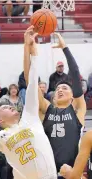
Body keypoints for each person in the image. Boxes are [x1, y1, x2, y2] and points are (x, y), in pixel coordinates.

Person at [0, 26, 57, 179]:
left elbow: (32, 85)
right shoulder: (0, 137)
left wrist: (33, 54)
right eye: (6, 107)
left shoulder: (29, 118)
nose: (11, 106)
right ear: (0, 120)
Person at [24, 27, 86, 178]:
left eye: (65, 88)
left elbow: (76, 75)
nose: (60, 90)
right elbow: (30, 81)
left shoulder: (77, 109)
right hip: (46, 172)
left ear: (73, 97)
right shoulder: (46, 109)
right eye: (58, 88)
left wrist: (65, 48)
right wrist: (27, 48)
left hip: (71, 172)